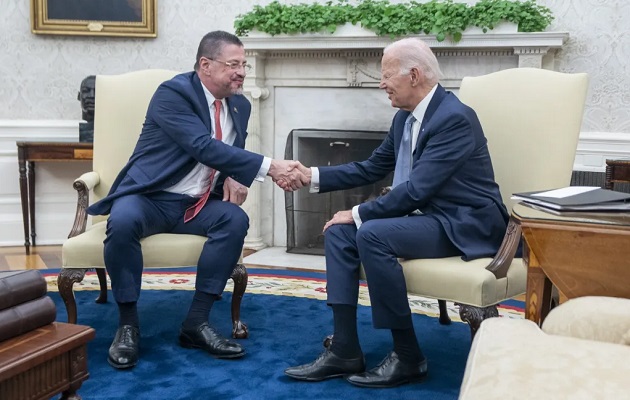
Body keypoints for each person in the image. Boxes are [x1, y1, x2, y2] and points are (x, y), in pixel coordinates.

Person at [282, 37, 509, 388]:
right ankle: (344, 348)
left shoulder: (455, 118)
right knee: (339, 231)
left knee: (370, 232)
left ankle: (407, 356)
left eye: (387, 75)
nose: (381, 83)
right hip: (427, 217)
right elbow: (373, 167)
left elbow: (417, 191)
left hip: (464, 222)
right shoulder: (405, 119)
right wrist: (312, 175)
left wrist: (358, 212)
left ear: (414, 75)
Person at [87, 30, 307, 370]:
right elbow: (202, 145)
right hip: (150, 197)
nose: (242, 72)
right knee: (122, 221)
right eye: (233, 64)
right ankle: (128, 324)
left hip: (198, 204)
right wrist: (271, 166)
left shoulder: (240, 104)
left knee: (235, 221)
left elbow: (229, 151)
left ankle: (196, 323)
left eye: (244, 65)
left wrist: (234, 174)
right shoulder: (173, 94)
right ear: (205, 64)